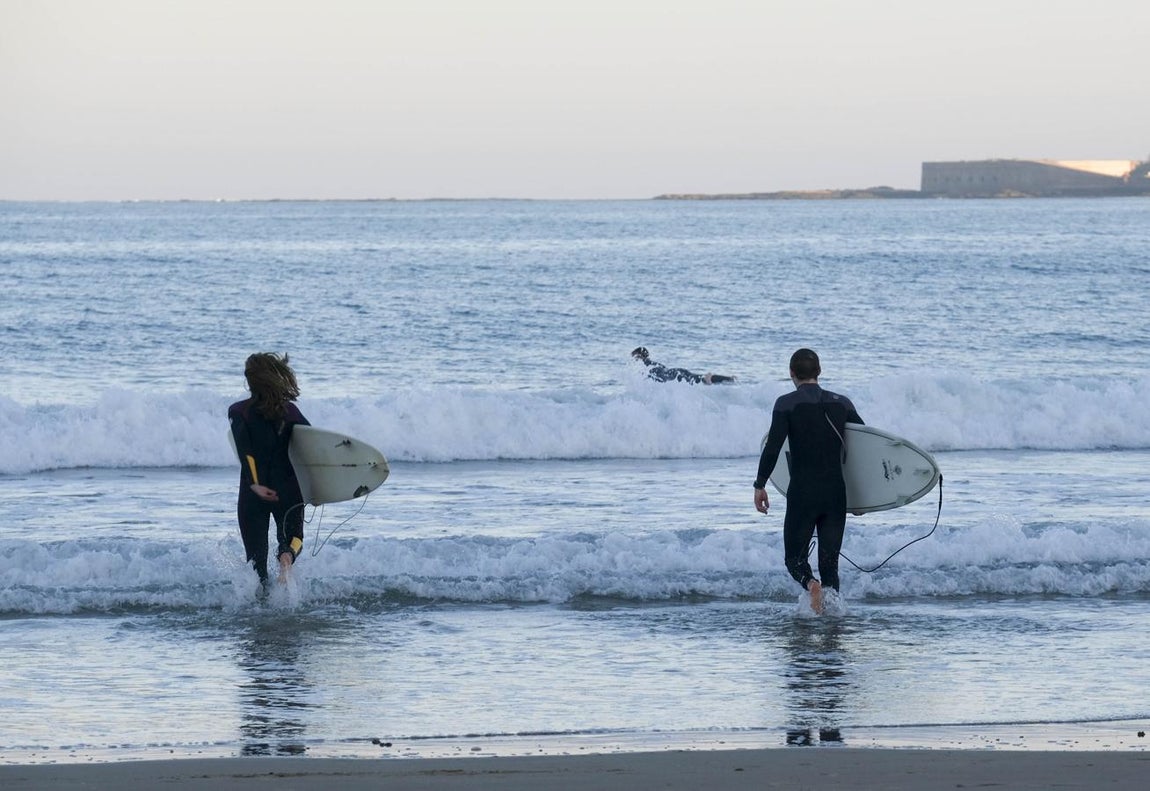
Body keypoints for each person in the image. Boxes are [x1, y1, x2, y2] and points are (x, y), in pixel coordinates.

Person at [753, 348, 863, 614]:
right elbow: (864, 448)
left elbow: (773, 447)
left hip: (803, 492)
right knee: (830, 566)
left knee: (794, 560)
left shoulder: (786, 404)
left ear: (791, 373)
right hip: (835, 493)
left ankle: (811, 585)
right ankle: (832, 622)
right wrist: (865, 497)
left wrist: (760, 484)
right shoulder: (843, 403)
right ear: (819, 371)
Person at [228, 352, 311, 589]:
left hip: (253, 493)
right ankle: (287, 557)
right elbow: (311, 448)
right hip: (288, 489)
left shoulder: (239, 411)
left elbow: (246, 451)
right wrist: (316, 487)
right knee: (294, 539)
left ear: (249, 381)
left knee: (256, 568)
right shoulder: (290, 412)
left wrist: (256, 483)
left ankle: (259, 604)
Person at [631, 346, 736, 384]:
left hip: (673, 376)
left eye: (635, 357)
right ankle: (729, 379)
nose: (634, 361)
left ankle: (724, 379)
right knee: (700, 378)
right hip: (677, 372)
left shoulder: (646, 364)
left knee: (701, 379)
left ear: (639, 356)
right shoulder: (655, 364)